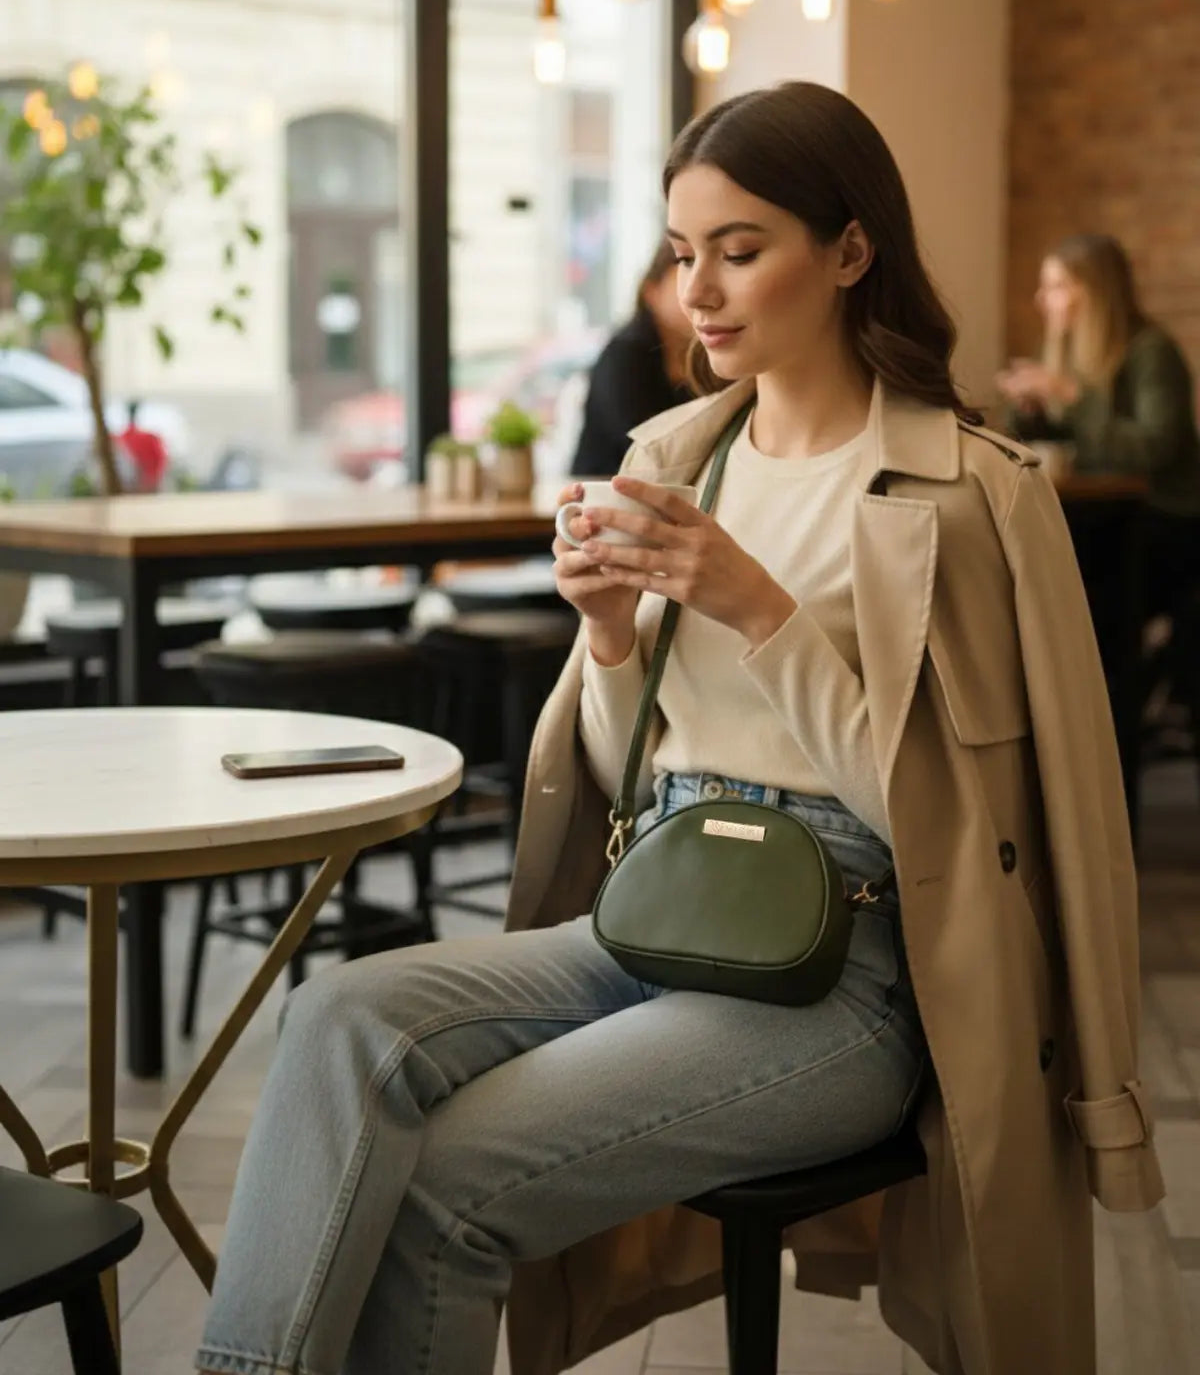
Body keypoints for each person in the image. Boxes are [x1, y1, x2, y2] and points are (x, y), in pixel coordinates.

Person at [196, 84, 1161, 1375]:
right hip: (654, 905)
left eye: (741, 249)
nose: (697, 289)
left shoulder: (972, 492)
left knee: (447, 1185)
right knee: (334, 1017)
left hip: (847, 974)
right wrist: (606, 639)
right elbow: (618, 772)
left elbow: (961, 829)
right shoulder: (676, 459)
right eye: (681, 250)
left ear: (851, 251)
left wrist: (759, 609)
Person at [997, 233, 1200, 627]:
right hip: (1106, 510)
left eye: (1056, 286)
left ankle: (1112, 675)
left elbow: (1154, 448)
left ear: (1093, 291)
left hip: (1169, 512)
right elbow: (1071, 438)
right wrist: (1030, 413)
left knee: (1091, 565)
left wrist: (1070, 397)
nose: (1041, 298)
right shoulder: (1069, 349)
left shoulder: (1151, 351)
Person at [569, 237, 694, 476]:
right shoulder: (626, 353)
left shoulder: (705, 356)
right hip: (603, 493)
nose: (696, 296)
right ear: (652, 292)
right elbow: (643, 444)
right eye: (683, 282)